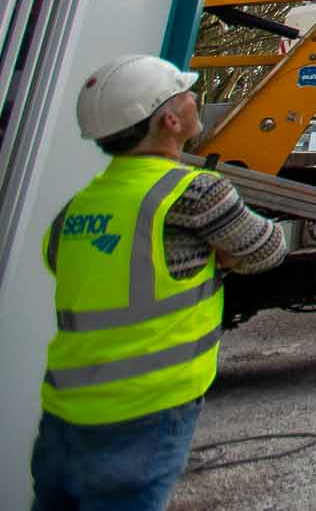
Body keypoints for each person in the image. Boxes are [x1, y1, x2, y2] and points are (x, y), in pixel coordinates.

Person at [33, 55, 289, 511]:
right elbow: (268, 248)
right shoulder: (195, 193)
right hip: (145, 410)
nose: (196, 99)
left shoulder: (78, 206)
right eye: (186, 94)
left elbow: (66, 265)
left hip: (64, 411)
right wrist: (218, 258)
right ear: (171, 120)